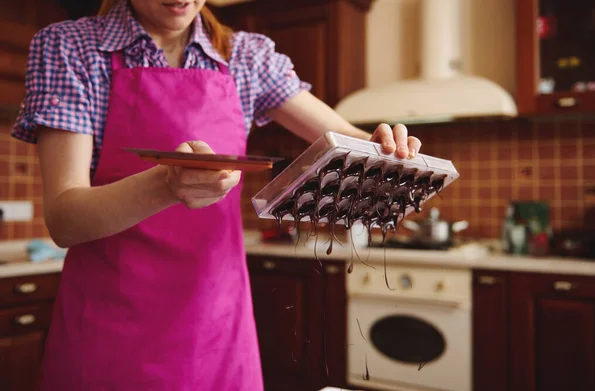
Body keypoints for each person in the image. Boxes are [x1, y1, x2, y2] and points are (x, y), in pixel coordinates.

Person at [12, 0, 423, 389]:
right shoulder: (70, 48)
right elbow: (64, 220)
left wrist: (384, 147)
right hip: (108, 328)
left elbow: (346, 140)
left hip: (218, 327)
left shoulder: (247, 57)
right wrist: (165, 185)